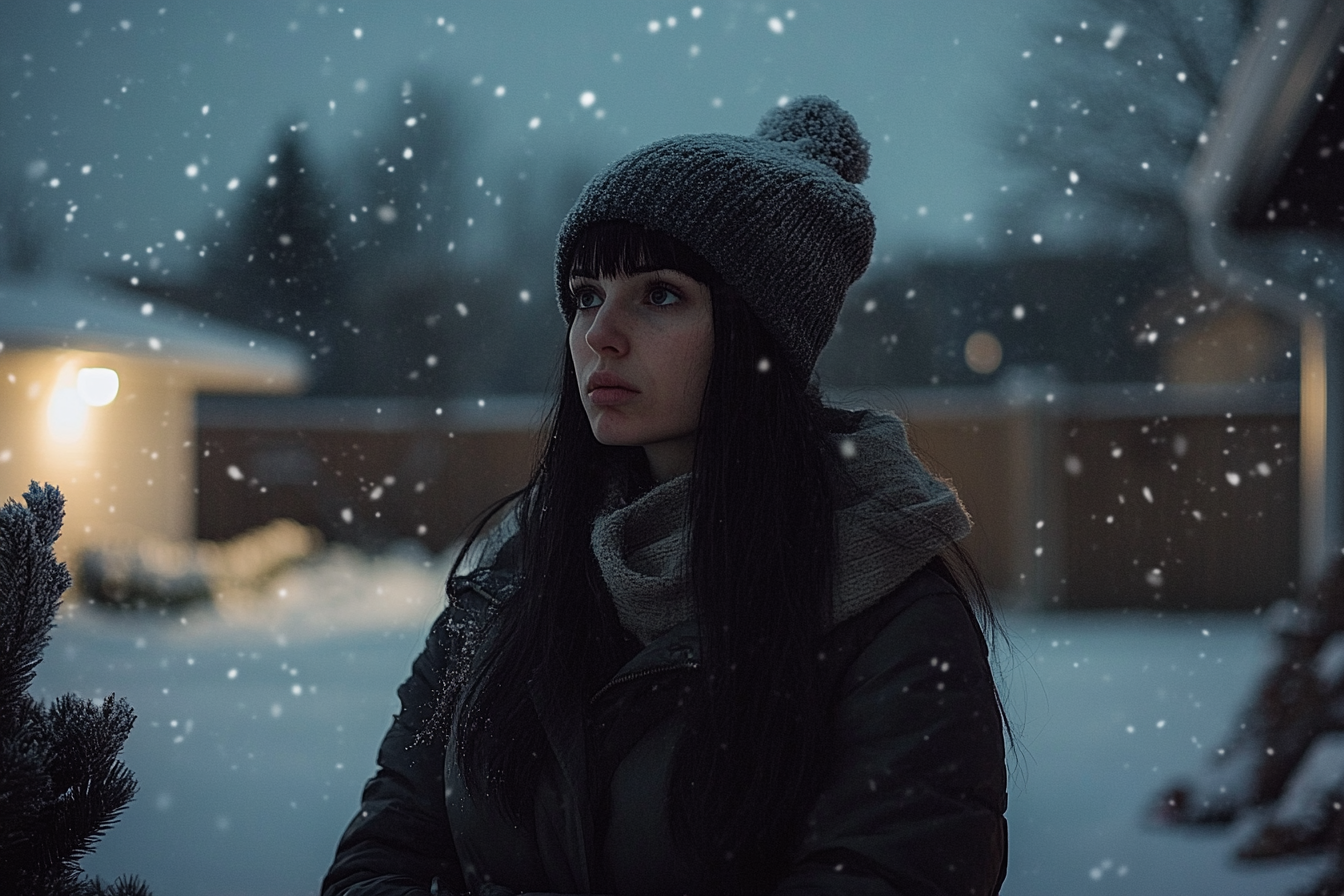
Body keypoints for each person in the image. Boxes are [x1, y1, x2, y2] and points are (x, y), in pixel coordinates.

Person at [322, 95, 1009, 896]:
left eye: (660, 295)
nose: (600, 334)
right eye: (585, 294)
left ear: (762, 335)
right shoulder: (511, 586)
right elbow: (385, 856)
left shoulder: (889, 620)